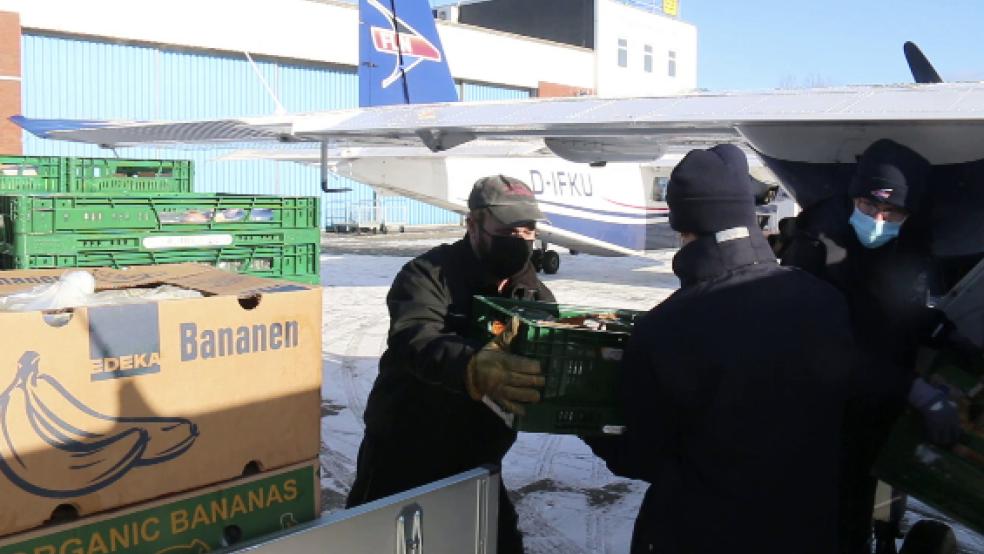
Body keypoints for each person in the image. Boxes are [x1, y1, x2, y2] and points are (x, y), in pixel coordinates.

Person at [586, 144, 855, 554]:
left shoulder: (665, 328)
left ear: (684, 225)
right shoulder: (827, 301)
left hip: (703, 531)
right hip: (807, 528)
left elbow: (641, 456)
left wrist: (588, 420)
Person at [345, 174, 554, 554]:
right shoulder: (426, 275)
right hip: (403, 453)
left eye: (528, 229)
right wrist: (471, 366)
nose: (521, 238)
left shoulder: (534, 294)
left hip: (478, 460)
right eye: (508, 228)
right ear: (473, 225)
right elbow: (417, 339)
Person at [777, 139, 961, 553]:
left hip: (871, 417)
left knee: (856, 513)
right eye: (868, 206)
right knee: (823, 525)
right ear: (852, 199)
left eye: (891, 211)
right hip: (820, 425)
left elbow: (892, 311)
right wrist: (910, 388)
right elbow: (820, 352)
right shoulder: (815, 251)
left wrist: (942, 332)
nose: (878, 219)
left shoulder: (904, 245)